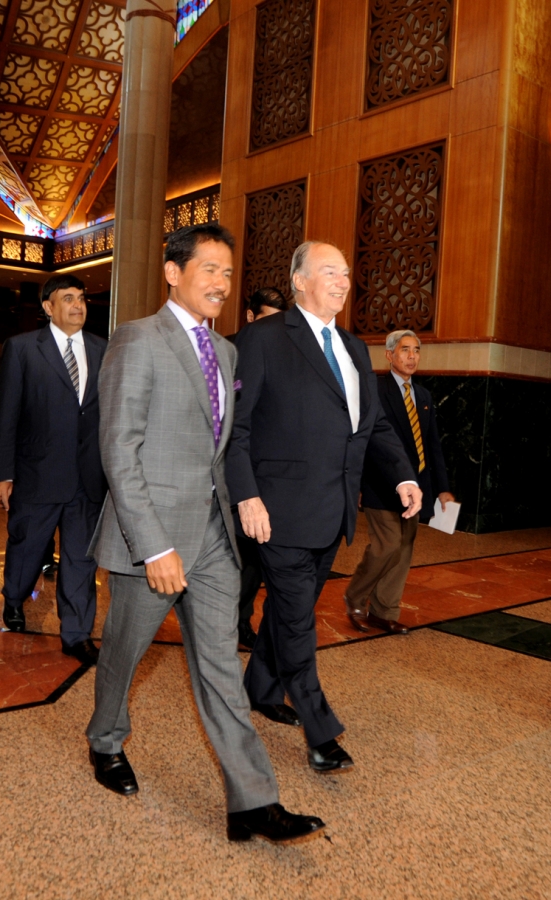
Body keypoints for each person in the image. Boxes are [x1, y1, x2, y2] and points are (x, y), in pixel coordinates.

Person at [87, 224, 323, 844]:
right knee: (124, 651)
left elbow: (221, 450)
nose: (220, 283)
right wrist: (154, 546)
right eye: (208, 269)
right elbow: (120, 453)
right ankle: (105, 738)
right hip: (154, 540)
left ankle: (253, 802)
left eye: (227, 272)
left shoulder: (227, 353)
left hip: (215, 539)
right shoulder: (138, 340)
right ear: (173, 272)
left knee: (221, 666)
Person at [227, 240, 421, 773]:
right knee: (296, 622)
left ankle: (260, 687)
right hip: (279, 511)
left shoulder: (355, 349)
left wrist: (403, 474)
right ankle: (320, 730)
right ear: (299, 281)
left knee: (293, 612)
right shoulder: (263, 339)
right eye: (330, 271)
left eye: (346, 273)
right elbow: (234, 430)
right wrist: (247, 495)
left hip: (333, 511)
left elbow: (374, 424)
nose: (343, 281)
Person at [0, 274, 107, 665]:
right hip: (37, 474)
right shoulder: (23, 349)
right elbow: (6, 416)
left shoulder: (101, 349)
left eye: (82, 298)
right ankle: (13, 597)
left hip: (87, 479)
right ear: (48, 307)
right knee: (27, 547)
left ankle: (76, 633)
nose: (78, 305)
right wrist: (2, 474)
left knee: (80, 559)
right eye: (68, 298)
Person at [345, 329, 454, 634]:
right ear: (389, 355)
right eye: (405, 350)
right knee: (387, 544)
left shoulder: (424, 396)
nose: (412, 356)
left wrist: (442, 489)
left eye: (417, 350)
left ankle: (385, 610)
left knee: (404, 547)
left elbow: (433, 446)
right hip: (381, 484)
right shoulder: (375, 390)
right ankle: (355, 597)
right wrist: (357, 484)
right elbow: (364, 440)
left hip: (417, 488)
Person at [230, 287, 291, 650]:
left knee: (253, 564)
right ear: (250, 317)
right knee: (231, 561)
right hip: (232, 474)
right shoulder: (225, 350)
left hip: (267, 478)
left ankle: (240, 624)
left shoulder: (289, 354)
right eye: (266, 320)